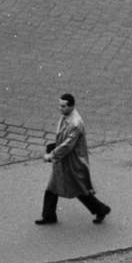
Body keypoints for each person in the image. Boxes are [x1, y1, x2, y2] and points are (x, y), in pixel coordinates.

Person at [36, 93, 110, 226]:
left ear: (71, 106)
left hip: (72, 162)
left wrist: (50, 156)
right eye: (60, 105)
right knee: (53, 187)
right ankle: (49, 215)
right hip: (65, 160)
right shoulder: (66, 117)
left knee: (77, 189)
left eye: (63, 106)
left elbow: (67, 145)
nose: (60, 108)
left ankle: (101, 209)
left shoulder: (75, 123)